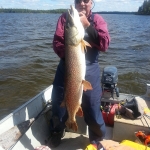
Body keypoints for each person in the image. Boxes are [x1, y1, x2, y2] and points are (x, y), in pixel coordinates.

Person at [49, 0, 110, 149]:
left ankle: (96, 138)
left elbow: (104, 44)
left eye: (86, 1)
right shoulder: (65, 18)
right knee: (58, 101)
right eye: (78, 1)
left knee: (92, 104)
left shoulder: (97, 20)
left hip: (90, 67)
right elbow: (57, 42)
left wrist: (87, 26)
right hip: (67, 65)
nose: (82, 3)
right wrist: (69, 55)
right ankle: (57, 132)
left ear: (91, 3)